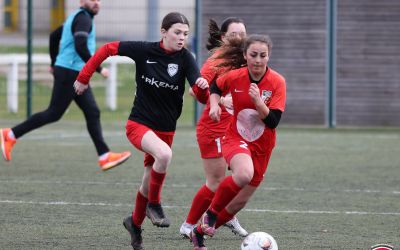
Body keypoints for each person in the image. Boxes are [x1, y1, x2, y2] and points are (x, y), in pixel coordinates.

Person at [73, 12, 209, 250]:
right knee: (164, 156)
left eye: (185, 34)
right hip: (139, 124)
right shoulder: (144, 50)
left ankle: (134, 225)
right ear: (163, 32)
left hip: (166, 129)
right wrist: (84, 77)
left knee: (148, 181)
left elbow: (200, 97)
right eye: (177, 32)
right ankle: (154, 205)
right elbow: (107, 49)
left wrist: (202, 88)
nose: (181, 38)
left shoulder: (186, 58)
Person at [0, 0, 131, 171]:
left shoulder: (77, 17)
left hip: (71, 71)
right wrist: (99, 68)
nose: (97, 3)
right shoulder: (83, 19)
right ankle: (9, 134)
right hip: (70, 73)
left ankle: (104, 156)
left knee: (92, 111)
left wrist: (54, 62)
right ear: (82, 1)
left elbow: (54, 36)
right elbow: (80, 46)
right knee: (54, 113)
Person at [190, 34, 286, 250]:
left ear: (269, 57)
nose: (258, 60)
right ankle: (211, 215)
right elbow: (215, 87)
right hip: (236, 137)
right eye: (253, 55)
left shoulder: (277, 82)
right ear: (245, 55)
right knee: (243, 174)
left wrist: (259, 103)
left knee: (238, 203)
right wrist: (214, 105)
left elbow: (273, 121)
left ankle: (198, 233)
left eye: (263, 55)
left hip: (263, 146)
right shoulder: (236, 76)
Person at [179, 17, 249, 238]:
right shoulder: (216, 61)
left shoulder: (244, 58)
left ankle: (225, 216)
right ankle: (189, 225)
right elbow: (195, 91)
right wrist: (218, 101)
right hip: (215, 128)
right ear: (223, 37)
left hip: (235, 129)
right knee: (215, 181)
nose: (239, 38)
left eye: (242, 33)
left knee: (241, 176)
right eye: (234, 34)